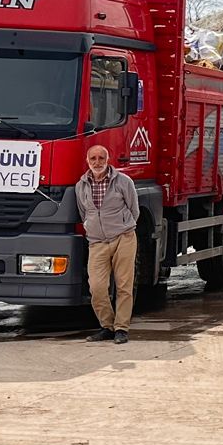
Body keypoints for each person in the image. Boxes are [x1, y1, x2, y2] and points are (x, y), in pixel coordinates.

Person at [75, 145, 140, 344]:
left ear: (108, 159)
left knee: (124, 286)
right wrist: (91, 228)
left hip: (123, 238)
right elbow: (84, 212)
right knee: (97, 287)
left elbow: (134, 209)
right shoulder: (81, 186)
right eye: (93, 158)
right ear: (87, 161)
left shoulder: (123, 181)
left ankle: (121, 328)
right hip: (97, 242)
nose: (97, 162)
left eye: (101, 158)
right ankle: (107, 326)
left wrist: (123, 226)